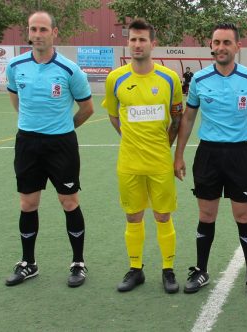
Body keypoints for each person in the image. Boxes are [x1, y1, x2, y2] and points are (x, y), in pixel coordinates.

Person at [174, 23, 247, 298]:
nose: (220, 47)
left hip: (239, 155)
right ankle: (201, 270)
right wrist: (179, 155)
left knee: (242, 215)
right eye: (216, 42)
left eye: (226, 43)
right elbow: (189, 118)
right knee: (206, 215)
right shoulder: (199, 79)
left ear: (237, 46)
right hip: (208, 154)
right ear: (211, 45)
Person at [5, 11, 94, 288]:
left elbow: (87, 108)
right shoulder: (15, 65)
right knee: (27, 204)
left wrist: (62, 129)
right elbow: (17, 101)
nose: (38, 34)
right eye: (33, 29)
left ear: (54, 33)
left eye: (43, 29)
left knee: (69, 202)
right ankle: (28, 263)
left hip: (61, 145)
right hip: (27, 144)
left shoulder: (70, 70)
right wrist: (33, 126)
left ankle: (78, 263)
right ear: (28, 32)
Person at [102, 18, 183, 293]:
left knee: (163, 216)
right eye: (133, 39)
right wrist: (130, 139)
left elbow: (177, 117)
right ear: (128, 42)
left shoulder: (169, 78)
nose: (137, 44)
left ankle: (168, 270)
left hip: (160, 160)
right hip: (129, 162)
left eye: (142, 39)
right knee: (133, 216)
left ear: (153, 44)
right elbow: (114, 116)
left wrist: (165, 144)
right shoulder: (116, 78)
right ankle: (135, 269)